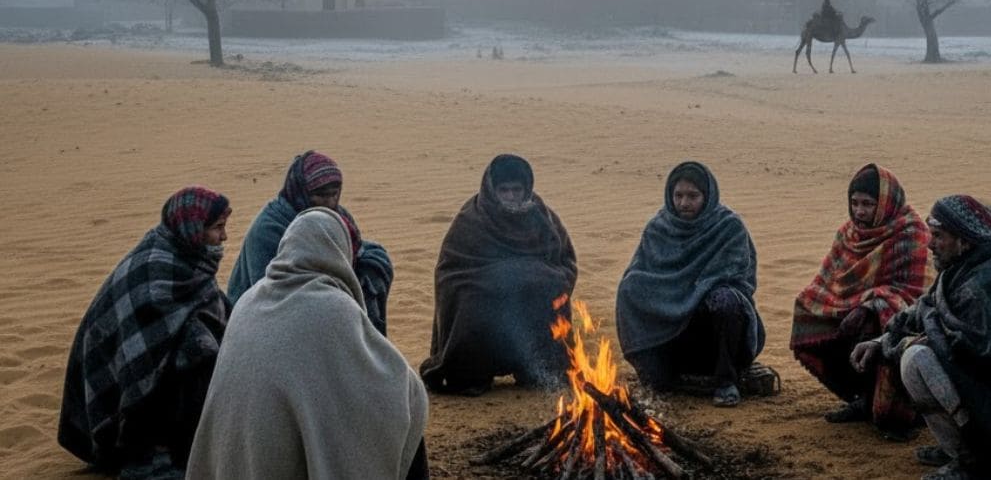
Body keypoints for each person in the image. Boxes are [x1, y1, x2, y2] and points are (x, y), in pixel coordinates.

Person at [187, 207, 429, 479]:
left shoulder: (247, 301)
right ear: (340, 253)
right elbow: (390, 382)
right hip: (280, 462)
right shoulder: (334, 307)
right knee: (407, 402)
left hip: (236, 463)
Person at [851, 195, 991, 480]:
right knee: (915, 354)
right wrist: (880, 342)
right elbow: (925, 308)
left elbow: (979, 361)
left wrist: (909, 343)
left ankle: (978, 459)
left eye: (938, 236)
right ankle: (957, 450)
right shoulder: (961, 269)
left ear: (964, 240)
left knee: (919, 358)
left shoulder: (988, 283)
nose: (930, 244)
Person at [59, 186, 232, 479]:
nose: (224, 237)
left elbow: (221, 315)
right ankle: (150, 455)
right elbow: (139, 359)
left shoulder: (186, 261)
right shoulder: (155, 269)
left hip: (150, 389)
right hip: (120, 406)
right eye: (217, 228)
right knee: (197, 350)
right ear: (192, 230)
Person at [791, 164, 932, 440]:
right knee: (808, 309)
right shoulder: (849, 233)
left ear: (885, 204)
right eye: (854, 203)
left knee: (871, 322)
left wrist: (871, 305)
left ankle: (901, 412)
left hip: (907, 323)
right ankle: (863, 399)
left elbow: (917, 295)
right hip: (857, 307)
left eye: (867, 204)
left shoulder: (911, 234)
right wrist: (829, 305)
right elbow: (830, 280)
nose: (859, 211)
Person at [420, 154, 578, 395]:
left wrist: (548, 278)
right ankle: (471, 373)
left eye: (517, 189)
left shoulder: (542, 218)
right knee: (475, 300)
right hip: (484, 295)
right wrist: (504, 277)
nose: (512, 197)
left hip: (532, 297)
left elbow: (566, 260)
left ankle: (540, 369)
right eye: (505, 190)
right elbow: (449, 275)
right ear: (492, 190)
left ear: (527, 189)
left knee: (548, 288)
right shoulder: (471, 220)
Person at [616, 161, 766, 407]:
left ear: (707, 196)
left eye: (692, 196)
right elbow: (642, 270)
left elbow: (740, 276)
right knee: (630, 287)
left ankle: (726, 380)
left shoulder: (728, 227)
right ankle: (656, 369)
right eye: (678, 195)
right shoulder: (658, 228)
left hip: (711, 325)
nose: (684, 203)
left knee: (726, 300)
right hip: (671, 327)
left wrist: (696, 291)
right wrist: (675, 294)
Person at [226, 150, 393, 335]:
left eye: (334, 194)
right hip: (261, 323)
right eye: (321, 195)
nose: (329, 202)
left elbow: (353, 250)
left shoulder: (338, 216)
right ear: (301, 191)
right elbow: (271, 292)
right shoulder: (269, 229)